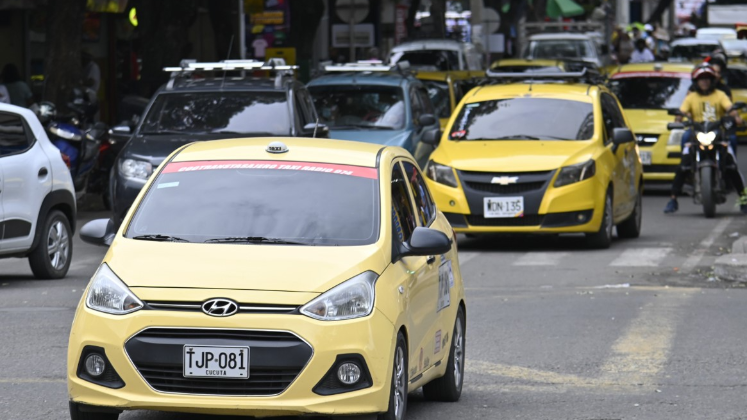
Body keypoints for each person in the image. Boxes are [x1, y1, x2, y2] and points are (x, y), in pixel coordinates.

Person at [664, 64, 746, 214]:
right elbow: (681, 113)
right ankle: (673, 199)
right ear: (696, 81)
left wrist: (737, 118)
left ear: (712, 80)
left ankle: (744, 199)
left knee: (732, 165)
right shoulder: (691, 97)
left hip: (717, 135)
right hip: (697, 134)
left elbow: (730, 109)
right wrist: (679, 119)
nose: (704, 82)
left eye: (707, 79)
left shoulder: (720, 95)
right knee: (683, 164)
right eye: (701, 79)